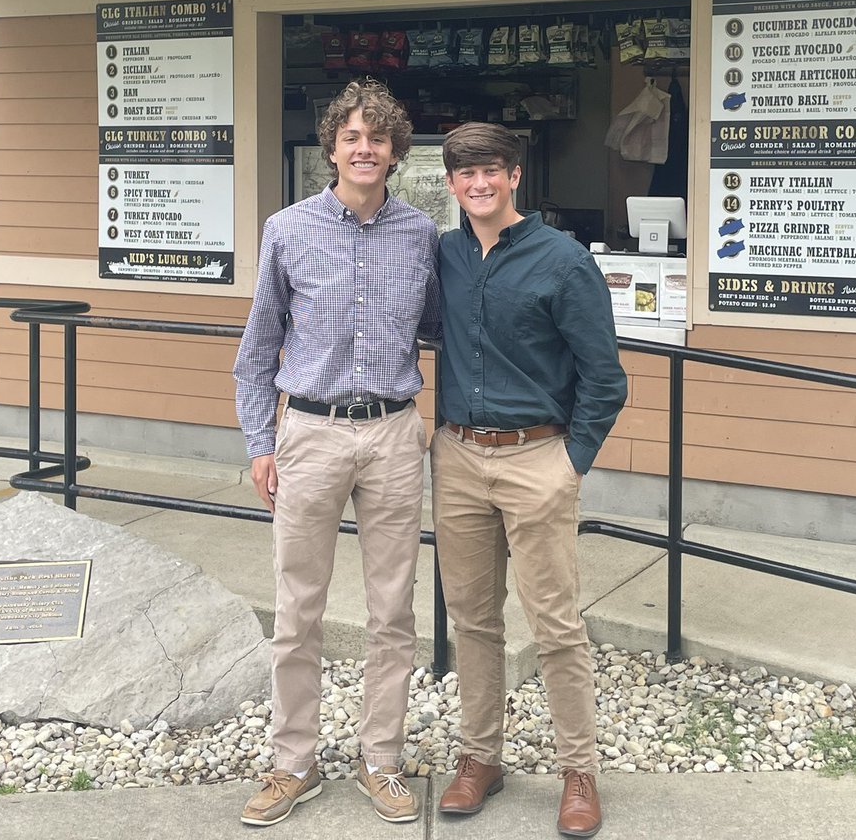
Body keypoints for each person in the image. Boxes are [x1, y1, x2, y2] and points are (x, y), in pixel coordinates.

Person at [234, 79, 440, 828]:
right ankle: (294, 761)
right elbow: (257, 348)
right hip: (310, 434)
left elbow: (447, 332)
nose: (364, 149)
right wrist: (262, 441)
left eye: (377, 138)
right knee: (298, 609)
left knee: (393, 611)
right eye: (352, 137)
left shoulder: (422, 234)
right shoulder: (287, 229)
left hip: (391, 433)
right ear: (332, 147)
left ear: (394, 153)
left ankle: (380, 759)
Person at [432, 122, 628, 839]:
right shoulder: (445, 254)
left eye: (490, 170)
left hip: (536, 459)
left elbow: (605, 378)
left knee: (555, 624)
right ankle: (481, 757)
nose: (478, 184)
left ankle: (580, 771)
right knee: (473, 622)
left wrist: (570, 461)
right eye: (464, 174)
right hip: (456, 456)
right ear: (450, 184)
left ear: (515, 175)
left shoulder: (563, 261)